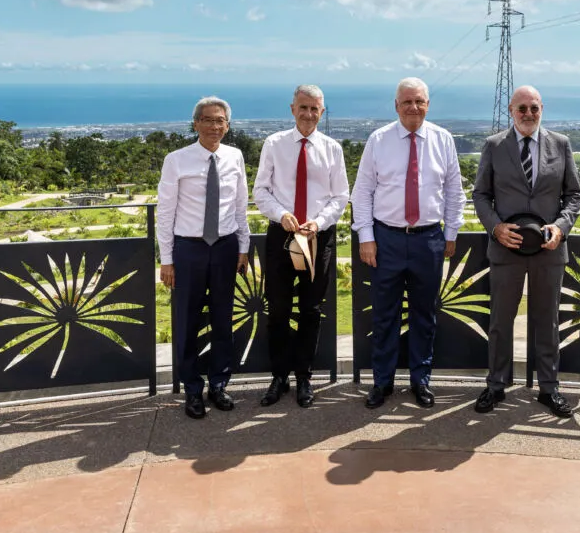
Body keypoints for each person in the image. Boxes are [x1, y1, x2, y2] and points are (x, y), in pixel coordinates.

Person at [352, 77, 465, 409]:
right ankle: (382, 382)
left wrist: (451, 233)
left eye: (419, 101)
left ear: (428, 105)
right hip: (385, 238)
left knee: (424, 315)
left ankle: (421, 380)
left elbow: (454, 191)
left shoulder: (443, 140)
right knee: (384, 315)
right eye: (407, 102)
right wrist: (366, 237)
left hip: (428, 239)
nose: (413, 107)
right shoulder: (379, 140)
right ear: (396, 106)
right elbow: (362, 193)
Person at [471, 85, 580, 417]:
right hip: (506, 249)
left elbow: (573, 196)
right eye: (522, 108)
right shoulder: (494, 145)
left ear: (542, 109)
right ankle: (495, 385)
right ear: (511, 111)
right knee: (500, 321)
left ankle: (549, 388)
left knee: (548, 322)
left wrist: (560, 227)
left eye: (534, 107)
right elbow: (480, 195)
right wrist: (495, 228)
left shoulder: (560, 144)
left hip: (549, 249)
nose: (528, 114)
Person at [253, 84, 350, 408]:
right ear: (292, 109)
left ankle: (304, 377)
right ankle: (279, 376)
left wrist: (318, 223)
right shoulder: (274, 144)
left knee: (310, 310)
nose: (309, 114)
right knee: (278, 309)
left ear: (321, 112)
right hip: (282, 235)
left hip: (317, 237)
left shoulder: (332, 149)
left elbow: (341, 196)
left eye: (314, 109)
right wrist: (281, 214)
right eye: (303, 107)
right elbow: (261, 190)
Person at [156, 96, 250, 419]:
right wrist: (166, 259)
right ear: (195, 123)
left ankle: (219, 385)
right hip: (189, 249)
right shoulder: (176, 160)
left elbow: (240, 206)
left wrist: (243, 247)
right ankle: (192, 390)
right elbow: (165, 212)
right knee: (187, 321)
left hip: (225, 247)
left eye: (220, 120)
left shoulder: (235, 157)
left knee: (224, 319)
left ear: (228, 125)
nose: (214, 126)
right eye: (207, 120)